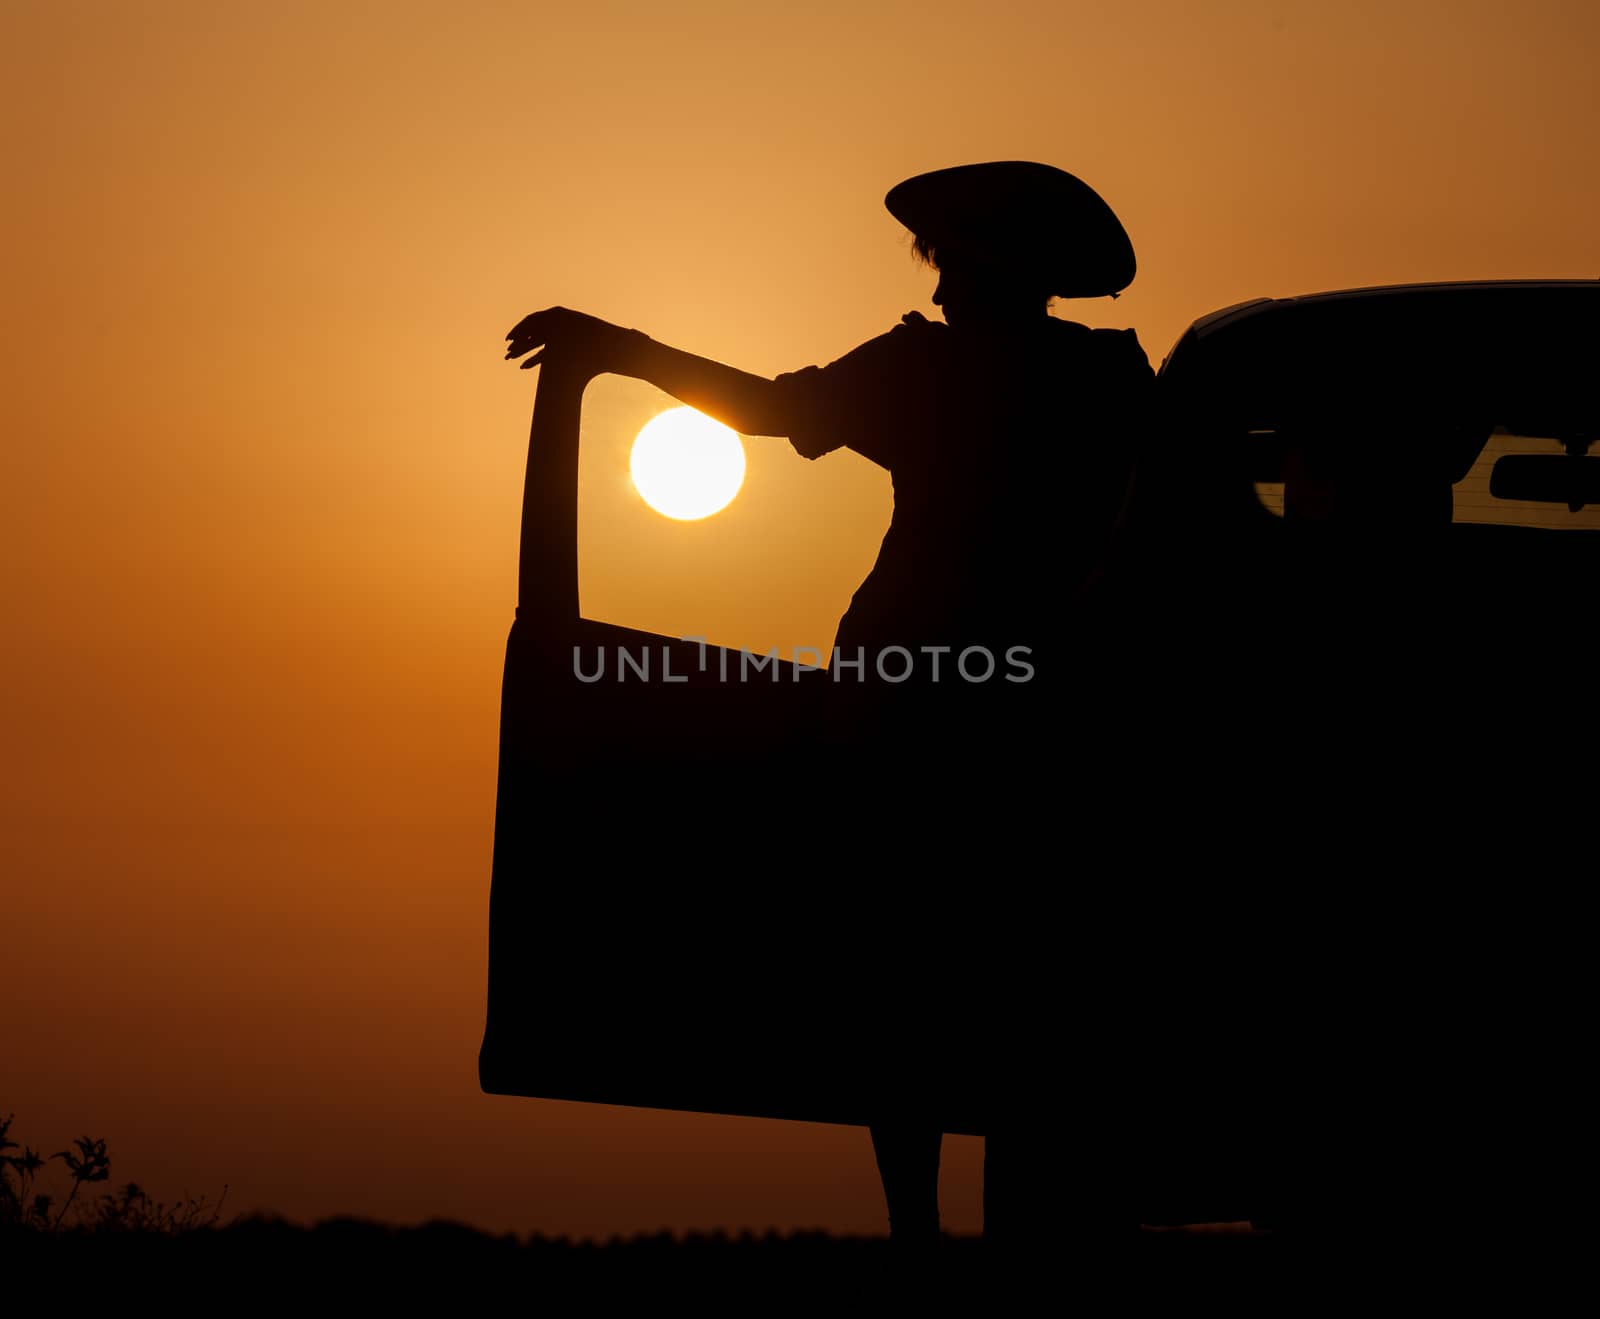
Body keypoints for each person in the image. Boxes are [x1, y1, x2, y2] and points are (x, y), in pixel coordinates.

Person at [504, 161, 1155, 1250]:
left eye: (951, 263)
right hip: (1035, 711)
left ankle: (917, 1229)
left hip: (920, 708)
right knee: (1012, 979)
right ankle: (999, 1226)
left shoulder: (935, 373)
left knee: (910, 981)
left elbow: (765, 408)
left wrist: (616, 348)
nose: (940, 289)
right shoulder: (1108, 383)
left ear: (991, 265)